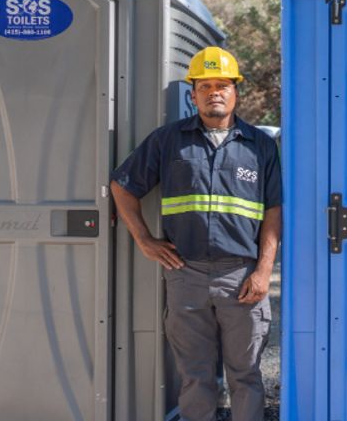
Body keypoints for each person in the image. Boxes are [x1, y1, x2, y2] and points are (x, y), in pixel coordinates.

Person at [110, 46, 282, 421]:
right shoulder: (168, 141)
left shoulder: (261, 147)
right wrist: (144, 239)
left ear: (236, 92)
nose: (214, 92)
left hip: (242, 277)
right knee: (196, 377)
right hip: (185, 275)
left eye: (222, 84)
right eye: (205, 86)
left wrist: (264, 270)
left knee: (246, 376)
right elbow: (122, 186)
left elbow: (273, 211)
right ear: (193, 95)